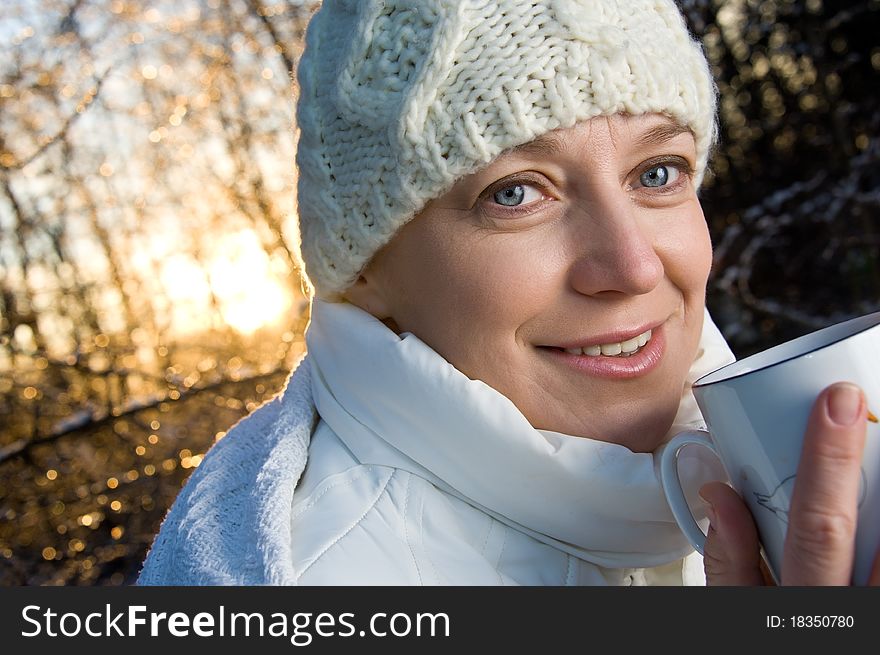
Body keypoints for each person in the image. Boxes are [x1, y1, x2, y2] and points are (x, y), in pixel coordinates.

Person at [137, 0, 878, 586]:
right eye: (516, 192)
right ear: (367, 270)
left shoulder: (750, 448)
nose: (634, 267)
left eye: (657, 173)